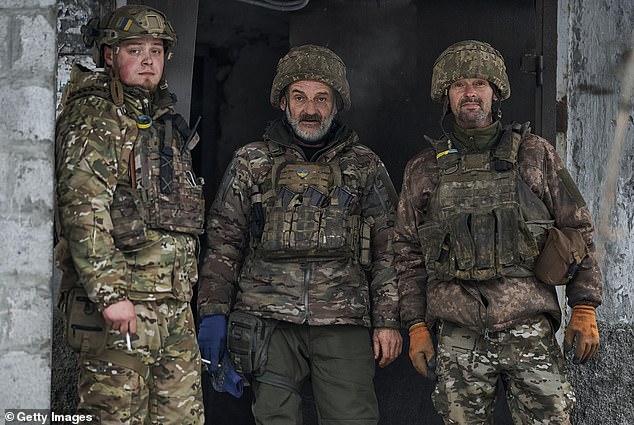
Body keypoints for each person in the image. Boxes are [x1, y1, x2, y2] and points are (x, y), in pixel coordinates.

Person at [394, 39, 602, 424]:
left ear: (495, 92)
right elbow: (405, 252)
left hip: (528, 325)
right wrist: (417, 325)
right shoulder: (424, 168)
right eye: (459, 85)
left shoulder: (535, 154)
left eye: (479, 83)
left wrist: (584, 306)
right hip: (459, 332)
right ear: (446, 95)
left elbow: (577, 228)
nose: (470, 93)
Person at [197, 44, 402, 424]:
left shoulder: (364, 165)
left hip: (343, 320)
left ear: (336, 104)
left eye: (321, 98)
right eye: (299, 97)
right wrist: (213, 314)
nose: (310, 109)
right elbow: (224, 242)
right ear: (283, 103)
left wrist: (388, 319)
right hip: (267, 320)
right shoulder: (251, 161)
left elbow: (390, 246)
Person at [55, 5, 205, 424]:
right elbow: (83, 207)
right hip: (125, 308)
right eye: (134, 50)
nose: (147, 60)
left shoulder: (161, 120)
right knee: (116, 416)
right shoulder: (95, 117)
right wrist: (110, 294)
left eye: (155, 51)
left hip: (172, 306)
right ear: (109, 55)